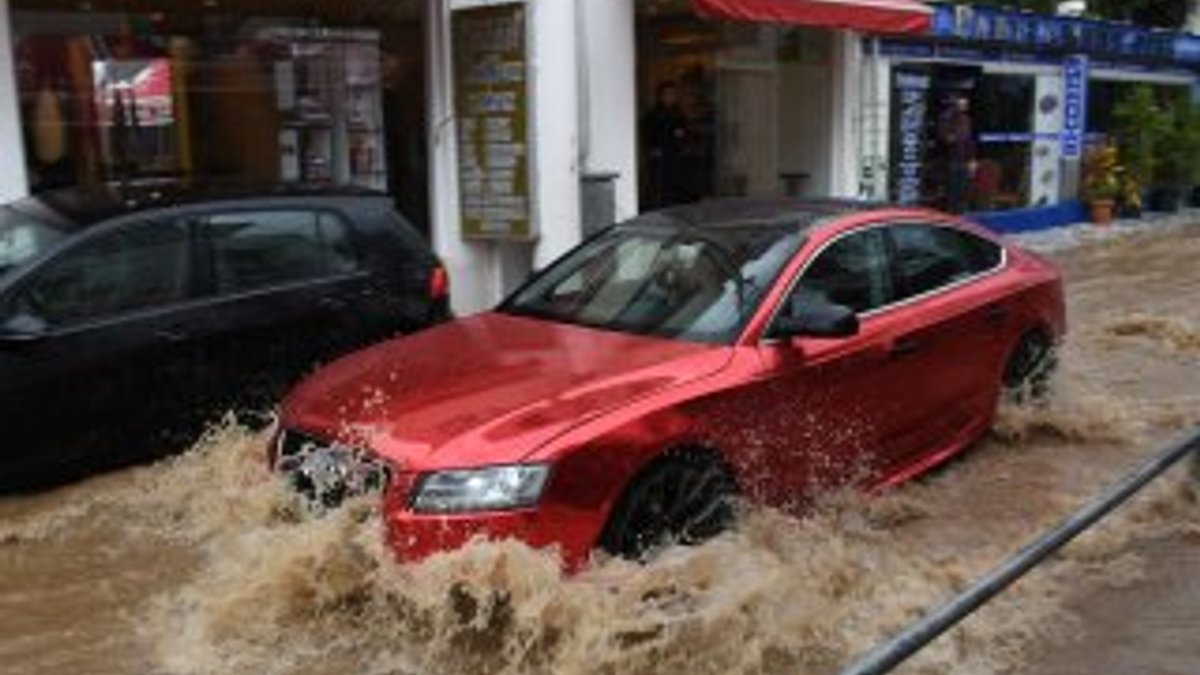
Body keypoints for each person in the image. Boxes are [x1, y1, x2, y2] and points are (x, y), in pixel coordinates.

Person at [642, 81, 689, 208]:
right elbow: (647, 133)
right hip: (659, 155)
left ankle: (674, 210)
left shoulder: (679, 113)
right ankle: (658, 209)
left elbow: (686, 132)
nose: (670, 97)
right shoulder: (653, 114)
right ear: (660, 96)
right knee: (658, 185)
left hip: (675, 154)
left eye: (673, 94)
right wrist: (653, 148)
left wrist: (683, 136)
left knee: (676, 183)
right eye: (667, 94)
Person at [938, 93, 977, 214]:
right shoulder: (946, 117)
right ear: (956, 104)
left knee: (963, 190)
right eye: (963, 103)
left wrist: (972, 159)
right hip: (952, 160)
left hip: (964, 159)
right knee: (953, 190)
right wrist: (956, 135)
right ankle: (951, 215)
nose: (966, 106)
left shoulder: (966, 119)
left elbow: (969, 140)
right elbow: (945, 138)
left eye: (966, 104)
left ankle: (961, 214)